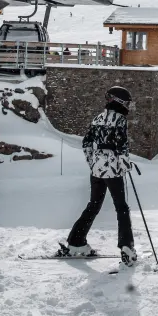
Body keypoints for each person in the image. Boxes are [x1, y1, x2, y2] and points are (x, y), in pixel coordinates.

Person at [60, 86, 137, 265]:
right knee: (122, 208)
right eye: (126, 103)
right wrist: (125, 166)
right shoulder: (120, 120)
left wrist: (93, 162)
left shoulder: (98, 118)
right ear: (120, 102)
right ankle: (126, 246)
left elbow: (86, 144)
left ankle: (75, 241)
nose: (127, 106)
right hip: (113, 170)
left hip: (97, 169)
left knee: (93, 205)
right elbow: (122, 147)